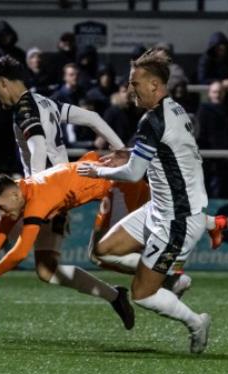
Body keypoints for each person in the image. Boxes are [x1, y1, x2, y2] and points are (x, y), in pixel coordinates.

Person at [0, 55, 127, 337]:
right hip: (60, 195)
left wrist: (36, 194)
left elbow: (38, 146)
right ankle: (115, 296)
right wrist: (121, 149)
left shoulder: (24, 109)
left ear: (4, 83)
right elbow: (93, 118)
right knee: (46, 269)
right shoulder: (46, 102)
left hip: (42, 196)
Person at [77, 49, 215, 354]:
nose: (130, 89)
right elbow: (161, 153)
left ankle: (196, 322)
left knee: (141, 293)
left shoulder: (153, 120)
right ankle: (168, 276)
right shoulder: (174, 110)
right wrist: (128, 152)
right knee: (102, 251)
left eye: (135, 83)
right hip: (159, 208)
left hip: (178, 219)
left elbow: (135, 173)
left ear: (155, 85)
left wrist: (97, 171)